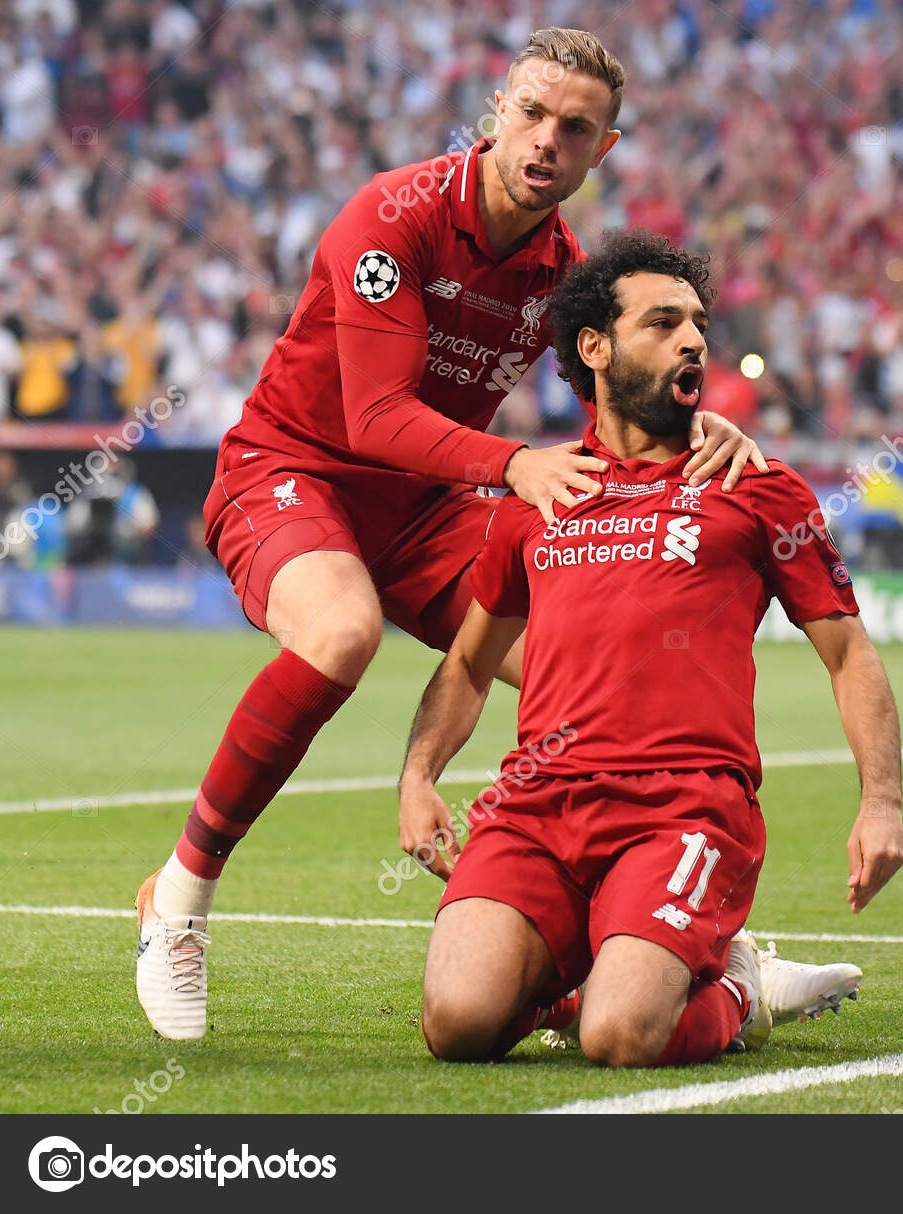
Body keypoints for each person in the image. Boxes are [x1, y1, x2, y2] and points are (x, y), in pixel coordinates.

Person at [134, 30, 767, 1041]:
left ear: (602, 150)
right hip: (295, 471)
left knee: (592, 659)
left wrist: (703, 423)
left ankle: (681, 930)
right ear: (498, 107)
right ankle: (179, 898)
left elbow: (621, 399)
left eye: (575, 127)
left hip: (423, 511)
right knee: (339, 634)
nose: (546, 138)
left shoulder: (562, 272)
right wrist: (512, 463)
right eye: (530, 112)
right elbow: (374, 417)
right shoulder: (393, 217)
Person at [402, 231, 903, 1065]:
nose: (695, 340)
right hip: (539, 807)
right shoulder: (540, 496)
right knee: (457, 1025)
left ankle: (736, 984)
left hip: (685, 808)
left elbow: (848, 655)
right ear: (595, 348)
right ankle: (596, 980)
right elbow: (466, 661)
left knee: (621, 1038)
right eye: (664, 322)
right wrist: (418, 778)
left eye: (699, 324)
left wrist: (881, 802)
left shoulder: (754, 489)